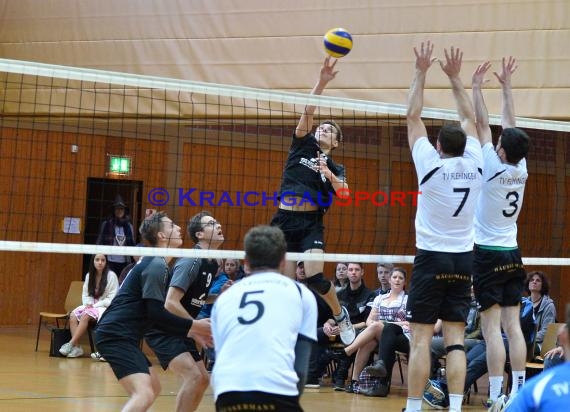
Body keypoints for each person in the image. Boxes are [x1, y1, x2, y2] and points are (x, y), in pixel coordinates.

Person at [404, 41, 483, 412]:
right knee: (455, 340)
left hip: (432, 259)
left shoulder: (431, 168)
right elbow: (470, 119)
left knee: (420, 340)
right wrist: (455, 79)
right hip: (462, 261)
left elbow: (412, 115)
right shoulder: (478, 163)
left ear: (437, 146)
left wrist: (421, 71)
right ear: (465, 146)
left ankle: (415, 408)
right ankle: (453, 408)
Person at [269, 55, 355, 345]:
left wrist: (328, 172)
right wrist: (322, 81)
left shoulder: (337, 168)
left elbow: (344, 193)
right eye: (323, 127)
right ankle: (284, 332)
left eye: (330, 131)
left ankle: (339, 313)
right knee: (285, 283)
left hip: (310, 223)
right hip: (283, 219)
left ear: (336, 144)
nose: (324, 130)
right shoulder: (302, 143)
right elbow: (308, 110)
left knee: (316, 277)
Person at [94, 211, 212, 412]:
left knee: (154, 388)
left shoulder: (158, 263)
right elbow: (157, 313)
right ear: (162, 236)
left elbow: (154, 315)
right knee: (145, 393)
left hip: (122, 335)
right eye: (172, 225)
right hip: (115, 334)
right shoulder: (156, 264)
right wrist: (195, 325)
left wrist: (190, 331)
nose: (179, 228)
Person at [471, 56, 531, 409]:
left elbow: (482, 122)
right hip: (512, 252)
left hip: (488, 253)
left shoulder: (492, 164)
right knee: (513, 326)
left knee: (492, 329)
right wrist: (507, 86)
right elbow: (510, 125)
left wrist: (477, 87)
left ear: (502, 150)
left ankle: (495, 397)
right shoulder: (520, 166)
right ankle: (518, 392)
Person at [211, 225, 317, 411]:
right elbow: (301, 365)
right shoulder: (301, 294)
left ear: (246, 262)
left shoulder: (224, 298)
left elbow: (221, 355)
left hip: (227, 392)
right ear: (284, 261)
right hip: (277, 391)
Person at [144, 211, 224, 411]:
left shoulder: (213, 263)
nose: (219, 225)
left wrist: (219, 295)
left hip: (181, 327)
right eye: (212, 224)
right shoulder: (192, 260)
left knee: (203, 379)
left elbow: (194, 298)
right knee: (194, 377)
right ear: (200, 235)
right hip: (163, 328)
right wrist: (195, 328)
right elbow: (170, 302)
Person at [424, 296, 536, 409]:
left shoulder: (526, 303)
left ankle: (444, 396)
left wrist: (499, 318)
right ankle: (443, 388)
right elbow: (488, 327)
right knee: (466, 360)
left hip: (510, 343)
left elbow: (515, 325)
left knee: (476, 364)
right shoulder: (495, 301)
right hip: (490, 341)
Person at [344, 267, 408, 394]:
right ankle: (354, 381)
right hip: (379, 334)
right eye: (394, 277)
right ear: (389, 280)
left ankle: (348, 350)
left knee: (377, 327)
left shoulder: (408, 299)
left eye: (400, 278)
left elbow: (408, 323)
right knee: (369, 342)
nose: (397, 280)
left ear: (404, 282)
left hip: (401, 336)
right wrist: (378, 324)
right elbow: (369, 321)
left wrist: (383, 323)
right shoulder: (380, 298)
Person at [500, 304, 570, 411]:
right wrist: (562, 348)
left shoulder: (537, 389)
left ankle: (501, 397)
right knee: (552, 357)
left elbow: (544, 332)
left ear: (562, 336)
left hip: (536, 343)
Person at [59, 253, 119, 359]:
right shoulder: (89, 275)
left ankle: (70, 343)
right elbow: (85, 294)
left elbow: (111, 298)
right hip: (90, 306)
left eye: (103, 260)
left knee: (86, 315)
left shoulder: (112, 276)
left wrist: (95, 305)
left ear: (106, 262)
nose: (100, 262)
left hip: (104, 307)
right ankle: (77, 348)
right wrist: (88, 304)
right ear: (93, 261)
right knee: (73, 315)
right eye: (97, 260)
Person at [333, 262, 376, 389]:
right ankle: (312, 375)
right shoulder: (339, 294)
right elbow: (333, 316)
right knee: (318, 333)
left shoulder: (370, 295)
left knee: (352, 336)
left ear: (362, 272)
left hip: (359, 329)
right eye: (350, 269)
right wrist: (328, 325)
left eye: (356, 269)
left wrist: (348, 328)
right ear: (347, 272)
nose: (353, 272)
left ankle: (340, 377)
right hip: (339, 328)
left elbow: (367, 321)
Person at [96, 195, 136, 275]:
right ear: (113, 210)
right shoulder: (106, 224)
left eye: (121, 208)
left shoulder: (129, 226)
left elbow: (132, 243)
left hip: (125, 261)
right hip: (109, 260)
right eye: (117, 208)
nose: (119, 211)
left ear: (124, 211)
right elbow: (100, 241)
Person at [526, 271, 557, 356]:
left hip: (540, 344)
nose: (534, 281)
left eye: (538, 280)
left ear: (543, 285)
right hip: (524, 341)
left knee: (517, 347)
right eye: (531, 280)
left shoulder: (549, 306)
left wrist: (526, 338)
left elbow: (546, 332)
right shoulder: (523, 303)